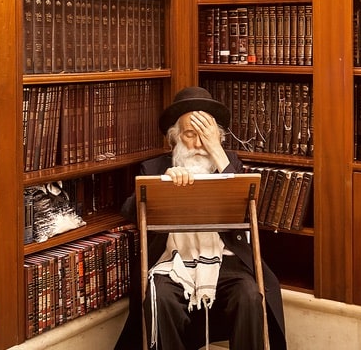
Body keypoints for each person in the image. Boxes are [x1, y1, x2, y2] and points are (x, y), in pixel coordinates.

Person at [114, 86, 287, 350]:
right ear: (175, 138)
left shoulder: (229, 162)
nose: (197, 145)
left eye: (206, 136)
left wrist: (217, 153)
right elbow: (129, 212)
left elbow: (250, 212)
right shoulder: (156, 167)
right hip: (172, 262)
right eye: (190, 135)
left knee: (250, 294)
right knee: (160, 299)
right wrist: (165, 183)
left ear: (218, 138)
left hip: (225, 260)